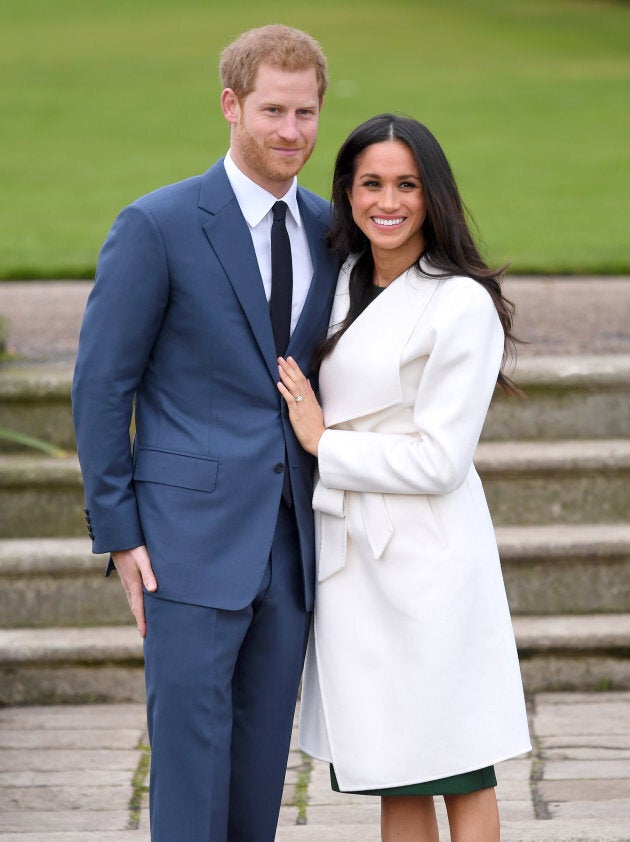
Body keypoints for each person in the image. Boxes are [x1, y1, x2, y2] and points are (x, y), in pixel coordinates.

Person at [72, 24, 338, 842]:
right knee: (189, 772)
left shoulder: (335, 231)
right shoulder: (157, 226)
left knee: (261, 767)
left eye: (305, 113)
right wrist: (120, 533)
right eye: (272, 111)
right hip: (183, 546)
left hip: (292, 544)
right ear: (231, 106)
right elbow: (101, 384)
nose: (290, 132)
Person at [277, 113, 531, 842]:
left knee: (458, 762)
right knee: (395, 767)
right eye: (371, 184)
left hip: (427, 561)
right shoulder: (341, 279)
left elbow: (439, 459)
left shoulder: (459, 302)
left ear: (433, 195)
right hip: (355, 560)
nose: (388, 202)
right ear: (348, 194)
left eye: (407, 185)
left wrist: (327, 444)